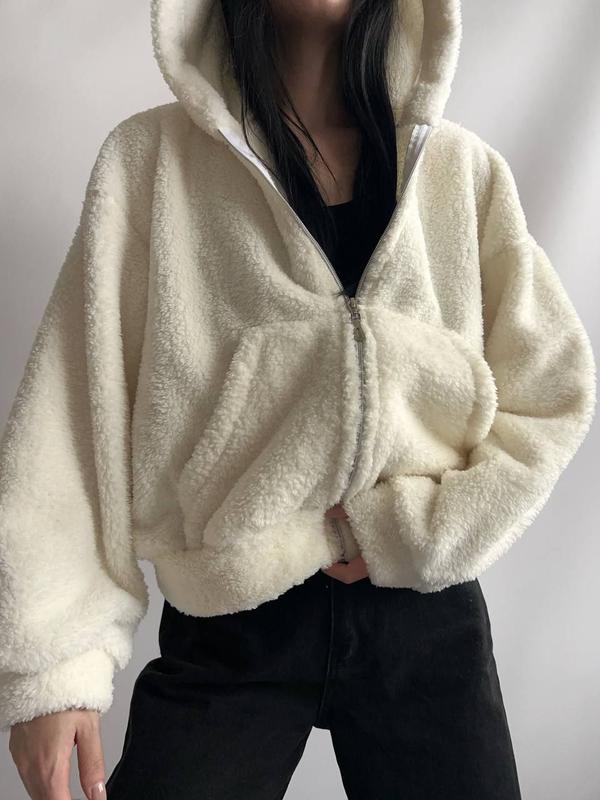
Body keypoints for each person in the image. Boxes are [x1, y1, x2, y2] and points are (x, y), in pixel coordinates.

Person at [1, 0, 596, 798]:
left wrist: (416, 528)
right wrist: (52, 665)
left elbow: (553, 392)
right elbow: (72, 414)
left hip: (423, 621)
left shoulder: (460, 173)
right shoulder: (151, 165)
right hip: (231, 622)